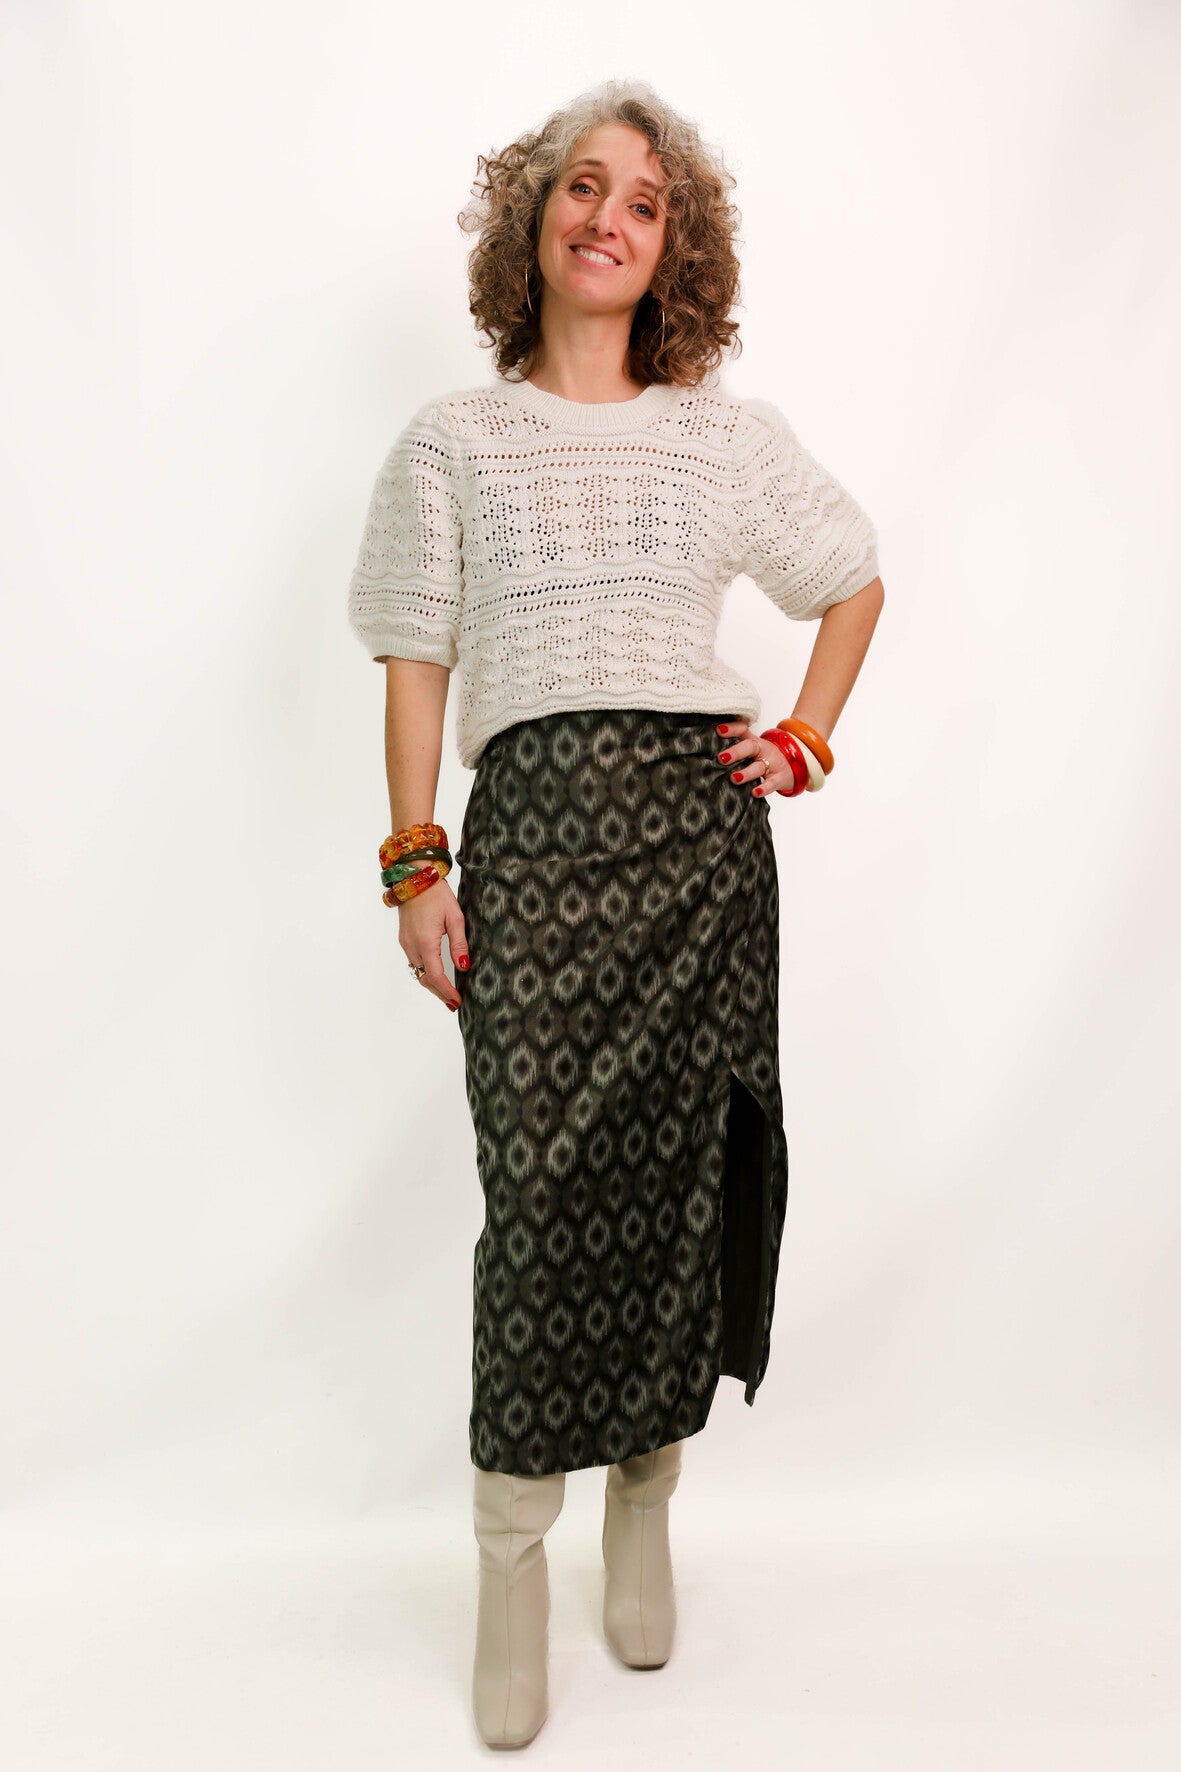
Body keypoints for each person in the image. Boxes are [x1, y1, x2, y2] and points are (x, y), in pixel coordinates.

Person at [347, 78, 885, 1750]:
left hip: (696, 862)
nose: (609, 219)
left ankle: (644, 1508)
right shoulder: (454, 439)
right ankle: (512, 1560)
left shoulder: (722, 435)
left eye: (645, 203)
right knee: (537, 1203)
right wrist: (416, 862)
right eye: (584, 187)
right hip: (535, 850)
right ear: (533, 218)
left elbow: (850, 576)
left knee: (672, 1192)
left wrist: (804, 736)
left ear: (674, 249)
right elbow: (415, 653)